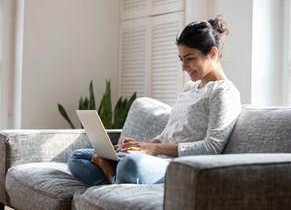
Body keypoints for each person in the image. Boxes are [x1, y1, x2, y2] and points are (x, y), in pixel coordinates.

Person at [67, 14, 242, 186]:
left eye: (189, 59)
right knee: (78, 157)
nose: (183, 67)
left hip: (181, 166)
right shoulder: (189, 88)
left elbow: (211, 148)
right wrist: (140, 146)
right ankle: (115, 182)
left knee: (131, 165)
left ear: (212, 53)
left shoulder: (223, 92)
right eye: (181, 59)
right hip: (157, 161)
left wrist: (153, 149)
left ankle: (112, 176)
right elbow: (167, 134)